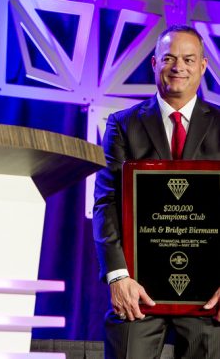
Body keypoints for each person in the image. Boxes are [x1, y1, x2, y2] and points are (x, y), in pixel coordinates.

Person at [93, 25, 220, 358]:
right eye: (169, 58)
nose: (178, 67)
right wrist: (118, 277)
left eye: (188, 59)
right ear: (154, 63)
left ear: (203, 66)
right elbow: (106, 203)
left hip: (208, 292)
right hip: (139, 290)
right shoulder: (122, 125)